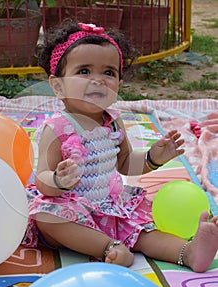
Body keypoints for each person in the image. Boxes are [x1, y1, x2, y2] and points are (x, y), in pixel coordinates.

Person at [21, 20, 218, 273]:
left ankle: (188, 253)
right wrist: (58, 179)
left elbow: (125, 164)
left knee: (143, 232)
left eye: (109, 73)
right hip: (70, 207)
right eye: (84, 72)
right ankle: (109, 248)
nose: (98, 80)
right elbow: (42, 181)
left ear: (118, 86)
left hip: (109, 205)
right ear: (58, 85)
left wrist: (153, 158)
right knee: (48, 218)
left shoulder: (113, 122)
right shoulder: (57, 128)